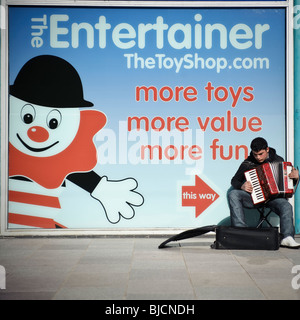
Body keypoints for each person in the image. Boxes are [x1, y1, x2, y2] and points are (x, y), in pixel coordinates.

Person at [228, 137, 300, 249]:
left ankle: (287, 237)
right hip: (254, 198)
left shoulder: (278, 160)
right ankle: (241, 233)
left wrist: (295, 178)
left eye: (261, 154)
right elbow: (234, 180)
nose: (258, 157)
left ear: (267, 149)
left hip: (274, 199)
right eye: (255, 154)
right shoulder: (248, 163)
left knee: (286, 205)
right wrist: (241, 186)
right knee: (233, 194)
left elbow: (288, 183)